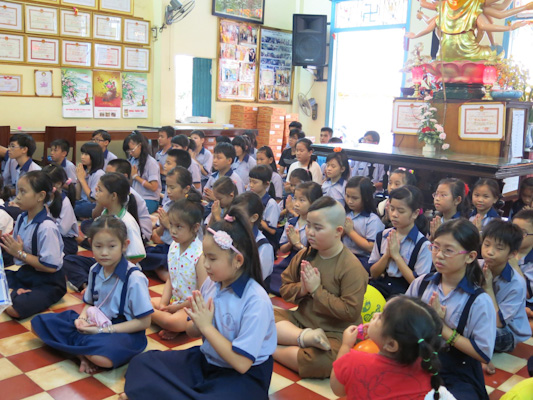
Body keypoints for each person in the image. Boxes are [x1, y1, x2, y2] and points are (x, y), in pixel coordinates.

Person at [122, 208, 276, 400]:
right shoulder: (211, 284)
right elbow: (191, 331)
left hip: (243, 376)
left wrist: (206, 326)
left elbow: (242, 363)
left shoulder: (256, 300)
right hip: (208, 361)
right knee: (143, 363)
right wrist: (196, 322)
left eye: (212, 258)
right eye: (205, 256)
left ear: (238, 260)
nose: (205, 264)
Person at [31, 216, 153, 373]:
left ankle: (78, 350)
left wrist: (102, 331)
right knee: (39, 322)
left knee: (103, 357)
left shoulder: (134, 278)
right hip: (95, 322)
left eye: (111, 246)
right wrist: (82, 319)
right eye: (98, 246)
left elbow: (144, 322)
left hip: (123, 331)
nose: (104, 253)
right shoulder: (95, 270)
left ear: (124, 245)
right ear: (90, 244)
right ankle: (82, 354)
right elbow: (89, 303)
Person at [274, 197, 368, 378]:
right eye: (308, 225)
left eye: (318, 228)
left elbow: (350, 312)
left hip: (334, 333)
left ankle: (271, 349)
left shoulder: (352, 268)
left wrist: (317, 290)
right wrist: (303, 289)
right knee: (260, 315)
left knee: (320, 361)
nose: (310, 232)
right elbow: (284, 287)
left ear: (338, 231)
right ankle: (303, 337)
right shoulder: (305, 255)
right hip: (300, 321)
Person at [406, 219, 497, 400]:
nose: (439, 255)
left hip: (457, 372)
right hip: (417, 360)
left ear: (470, 257)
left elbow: (483, 354)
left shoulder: (479, 301)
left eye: (448, 250)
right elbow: (403, 319)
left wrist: (442, 328)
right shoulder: (422, 283)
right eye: (436, 247)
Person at [331, 296, 448, 400]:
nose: (375, 314)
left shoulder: (354, 360)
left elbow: (337, 390)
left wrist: (346, 346)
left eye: (381, 317)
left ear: (391, 345)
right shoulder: (427, 368)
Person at [64, 173, 146, 292]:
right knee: (69, 260)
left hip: (121, 269)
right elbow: (95, 217)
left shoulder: (127, 222)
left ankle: (98, 286)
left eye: (100, 190)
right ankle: (87, 285)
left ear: (113, 196)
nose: (96, 192)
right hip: (104, 263)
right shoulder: (105, 213)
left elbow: (137, 256)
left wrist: (112, 267)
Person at [1, 171, 65, 319]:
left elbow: (50, 267)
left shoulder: (47, 227)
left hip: (49, 281)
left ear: (40, 196)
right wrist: (14, 251)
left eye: (23, 192)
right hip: (27, 273)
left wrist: (20, 253)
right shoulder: (22, 218)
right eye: (18, 191)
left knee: (15, 310)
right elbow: (18, 256)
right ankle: (15, 293)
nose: (17, 196)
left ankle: (14, 294)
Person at [150, 197, 206, 340]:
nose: (173, 231)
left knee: (171, 321)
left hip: (191, 307)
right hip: (174, 301)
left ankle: (166, 322)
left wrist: (176, 308)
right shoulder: (174, 246)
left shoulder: (200, 255)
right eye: (171, 224)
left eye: (179, 227)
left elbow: (202, 294)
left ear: (195, 227)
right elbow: (171, 278)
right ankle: (166, 320)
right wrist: (163, 303)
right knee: (146, 302)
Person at [480, 220, 531, 374]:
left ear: (512, 254)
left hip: (507, 333)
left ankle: (478, 356)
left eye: (499, 248)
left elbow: (498, 323)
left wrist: (488, 287)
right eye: (486, 244)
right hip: (480, 320)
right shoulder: (476, 266)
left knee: (483, 330)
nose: (490, 252)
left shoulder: (516, 283)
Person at [369, 185, 431, 298]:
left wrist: (397, 256)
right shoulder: (383, 236)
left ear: (415, 213)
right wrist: (387, 255)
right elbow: (373, 273)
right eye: (392, 209)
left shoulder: (423, 245)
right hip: (380, 286)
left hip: (404, 293)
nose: (394, 214)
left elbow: (418, 284)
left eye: (401, 211)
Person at [141, 167, 196, 281]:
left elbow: (189, 237)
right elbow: (158, 233)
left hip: (183, 250)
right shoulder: (168, 205)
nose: (168, 191)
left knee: (162, 260)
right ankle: (163, 270)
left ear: (186, 189)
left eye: (172, 187)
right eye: (167, 187)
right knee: (144, 253)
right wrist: (162, 225)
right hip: (166, 247)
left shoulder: (190, 209)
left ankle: (170, 277)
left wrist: (167, 224)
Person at [270, 182, 322, 296]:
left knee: (303, 279)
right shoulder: (292, 222)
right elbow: (282, 249)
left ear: (314, 203)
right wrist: (290, 242)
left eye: (302, 200)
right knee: (271, 274)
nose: (296, 204)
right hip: (291, 260)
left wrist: (298, 244)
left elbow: (316, 253)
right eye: (295, 199)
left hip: (309, 262)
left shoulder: (317, 226)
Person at [344, 176, 385, 272]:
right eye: (347, 196)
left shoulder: (372, 220)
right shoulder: (345, 214)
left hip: (363, 258)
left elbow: (371, 247)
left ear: (366, 198)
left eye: (354, 198)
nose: (349, 201)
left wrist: (350, 232)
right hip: (344, 254)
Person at [231, 192, 275, 281]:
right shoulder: (231, 236)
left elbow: (257, 279)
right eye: (233, 215)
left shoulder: (263, 246)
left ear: (254, 217)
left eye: (239, 216)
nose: (234, 219)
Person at [106, 159, 152, 242]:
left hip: (140, 235)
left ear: (124, 176)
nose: (106, 178)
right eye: (106, 174)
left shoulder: (129, 195)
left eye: (111, 175)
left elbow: (125, 224)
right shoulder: (111, 192)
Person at [42, 164, 79, 255]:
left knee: (45, 251)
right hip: (50, 235)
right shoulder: (45, 198)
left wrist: (47, 215)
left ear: (58, 184)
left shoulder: (65, 203)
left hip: (65, 241)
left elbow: (62, 231)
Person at [124, 131, 162, 214]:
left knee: (134, 213)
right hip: (135, 196)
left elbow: (153, 187)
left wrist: (136, 177)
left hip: (149, 199)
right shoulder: (133, 160)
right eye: (128, 151)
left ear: (140, 146)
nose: (130, 153)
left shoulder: (151, 162)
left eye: (132, 150)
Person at [249, 165, 280, 251]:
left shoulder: (271, 203)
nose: (251, 185)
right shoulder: (249, 198)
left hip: (265, 241)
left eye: (255, 182)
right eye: (250, 181)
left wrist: (255, 218)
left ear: (266, 184)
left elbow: (272, 231)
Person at [512, 209, 533, 332]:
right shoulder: (505, 249)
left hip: (526, 304)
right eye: (513, 231)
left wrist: (514, 265)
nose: (516, 236)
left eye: (523, 233)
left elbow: (526, 293)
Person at [3, 134, 41, 199]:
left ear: (24, 149)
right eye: (9, 146)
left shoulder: (35, 171)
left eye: (13, 146)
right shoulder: (14, 163)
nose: (9, 149)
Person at [75, 142, 105, 219]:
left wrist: (82, 180)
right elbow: (77, 197)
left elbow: (93, 198)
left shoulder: (99, 173)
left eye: (86, 154)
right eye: (82, 153)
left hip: (93, 205)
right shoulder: (84, 171)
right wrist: (78, 179)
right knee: (69, 204)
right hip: (83, 202)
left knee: (75, 208)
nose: (82, 157)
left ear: (94, 156)